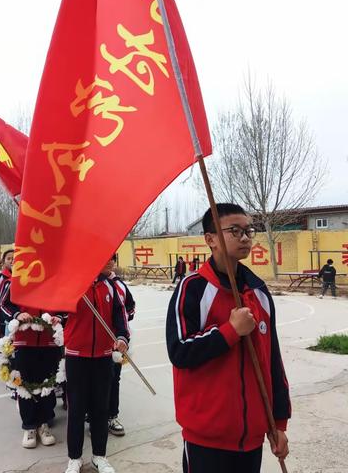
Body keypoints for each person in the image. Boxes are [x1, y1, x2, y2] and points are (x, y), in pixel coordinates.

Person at [166, 203, 291, 473]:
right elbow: (179, 351)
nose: (245, 237)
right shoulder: (192, 289)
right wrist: (230, 331)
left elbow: (273, 362)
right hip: (206, 439)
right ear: (210, 239)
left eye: (249, 230)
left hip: (252, 438)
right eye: (235, 230)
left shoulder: (258, 292)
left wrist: (278, 424)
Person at [63, 261, 130, 473]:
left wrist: (121, 337)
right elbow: (58, 312)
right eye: (108, 258)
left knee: (100, 408)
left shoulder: (111, 286)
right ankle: (74, 458)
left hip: (103, 356)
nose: (112, 262)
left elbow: (121, 315)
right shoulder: (73, 285)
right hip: (76, 355)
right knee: (76, 408)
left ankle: (99, 456)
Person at [0, 280, 62, 449]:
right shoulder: (18, 278)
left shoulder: (55, 279)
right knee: (25, 385)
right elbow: (4, 305)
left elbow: (65, 306)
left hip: (50, 342)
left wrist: (60, 317)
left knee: (47, 384)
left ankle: (44, 424)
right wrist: (17, 314)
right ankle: (29, 426)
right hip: (24, 342)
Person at [106, 253, 136, 437]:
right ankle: (93, 418)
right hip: (94, 343)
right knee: (95, 382)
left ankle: (111, 416)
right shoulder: (90, 284)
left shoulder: (120, 285)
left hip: (116, 343)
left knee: (113, 380)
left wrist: (121, 327)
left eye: (112, 258)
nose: (109, 262)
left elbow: (130, 308)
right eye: (105, 258)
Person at [0, 249, 14, 339]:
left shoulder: (22, 277)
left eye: (14, 258)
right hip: (2, 314)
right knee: (4, 340)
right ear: (3, 261)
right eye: (8, 259)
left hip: (15, 314)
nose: (11, 261)